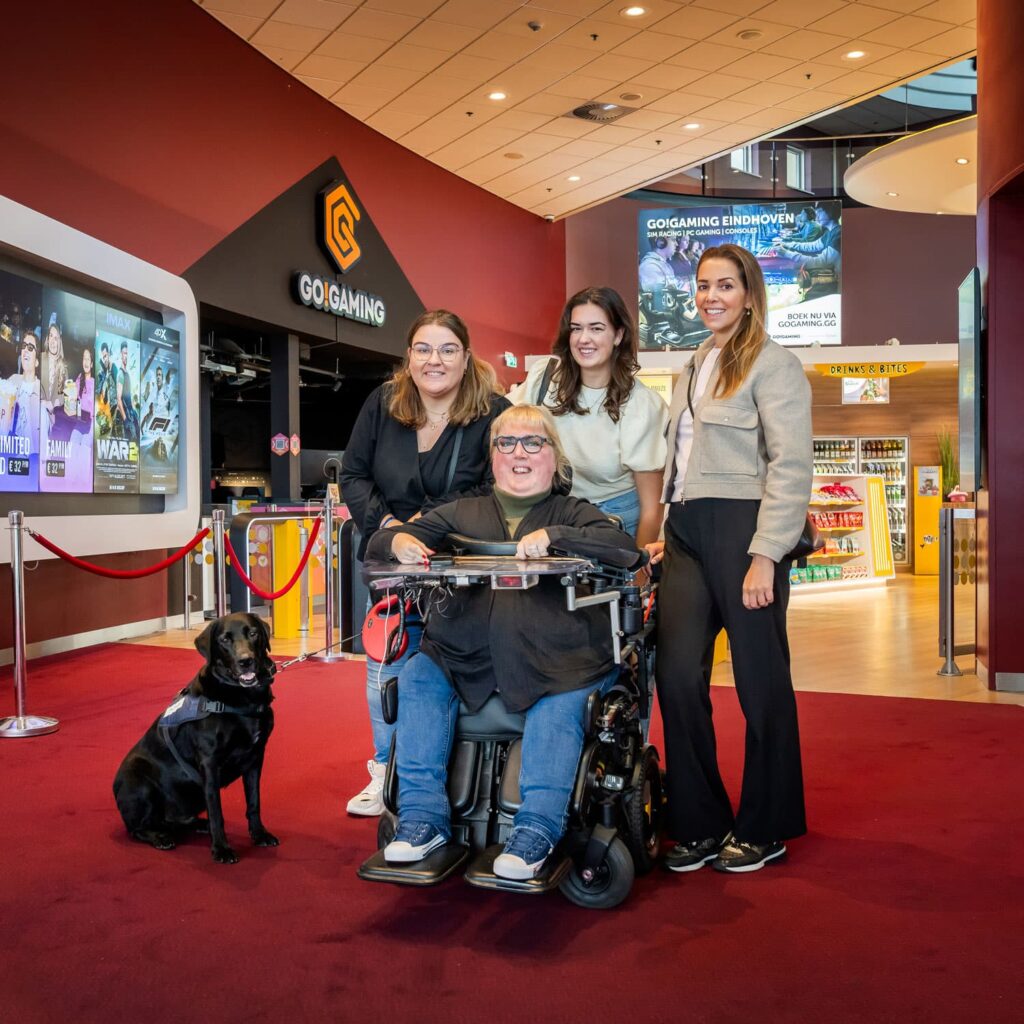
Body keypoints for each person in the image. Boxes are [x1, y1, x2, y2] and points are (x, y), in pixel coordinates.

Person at [365, 404, 641, 879]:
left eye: (533, 442)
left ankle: (536, 831)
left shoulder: (575, 513)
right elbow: (378, 544)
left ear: (554, 458)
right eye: (506, 443)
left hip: (559, 657)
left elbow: (624, 550)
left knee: (560, 703)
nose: (519, 453)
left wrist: (557, 536)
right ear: (492, 457)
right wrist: (397, 542)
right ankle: (421, 820)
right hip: (461, 654)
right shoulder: (461, 512)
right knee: (418, 677)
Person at [647, 242, 813, 874]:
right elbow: (681, 458)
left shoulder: (774, 364)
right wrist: (668, 525)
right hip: (688, 530)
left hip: (746, 529)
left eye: (725, 285)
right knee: (676, 674)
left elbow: (791, 466)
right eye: (703, 285)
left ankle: (766, 825)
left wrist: (766, 553)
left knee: (759, 679)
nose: (710, 296)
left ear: (748, 295)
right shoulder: (693, 364)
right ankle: (699, 821)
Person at [340, 310, 509, 816]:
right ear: (409, 357)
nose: (435, 360)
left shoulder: (493, 412)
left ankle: (459, 774)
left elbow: (496, 487)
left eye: (447, 349)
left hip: (461, 565)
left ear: (466, 356)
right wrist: (390, 527)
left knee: (451, 671)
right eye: (424, 349)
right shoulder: (382, 403)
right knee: (386, 663)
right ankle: (385, 770)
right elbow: (354, 475)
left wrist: (427, 525)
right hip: (391, 561)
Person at [509, 287, 668, 546]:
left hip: (613, 521)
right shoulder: (545, 378)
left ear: (618, 335)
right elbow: (498, 423)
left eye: (596, 328)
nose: (584, 339)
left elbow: (652, 510)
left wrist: (638, 563)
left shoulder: (642, 406)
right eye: (576, 328)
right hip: (551, 514)